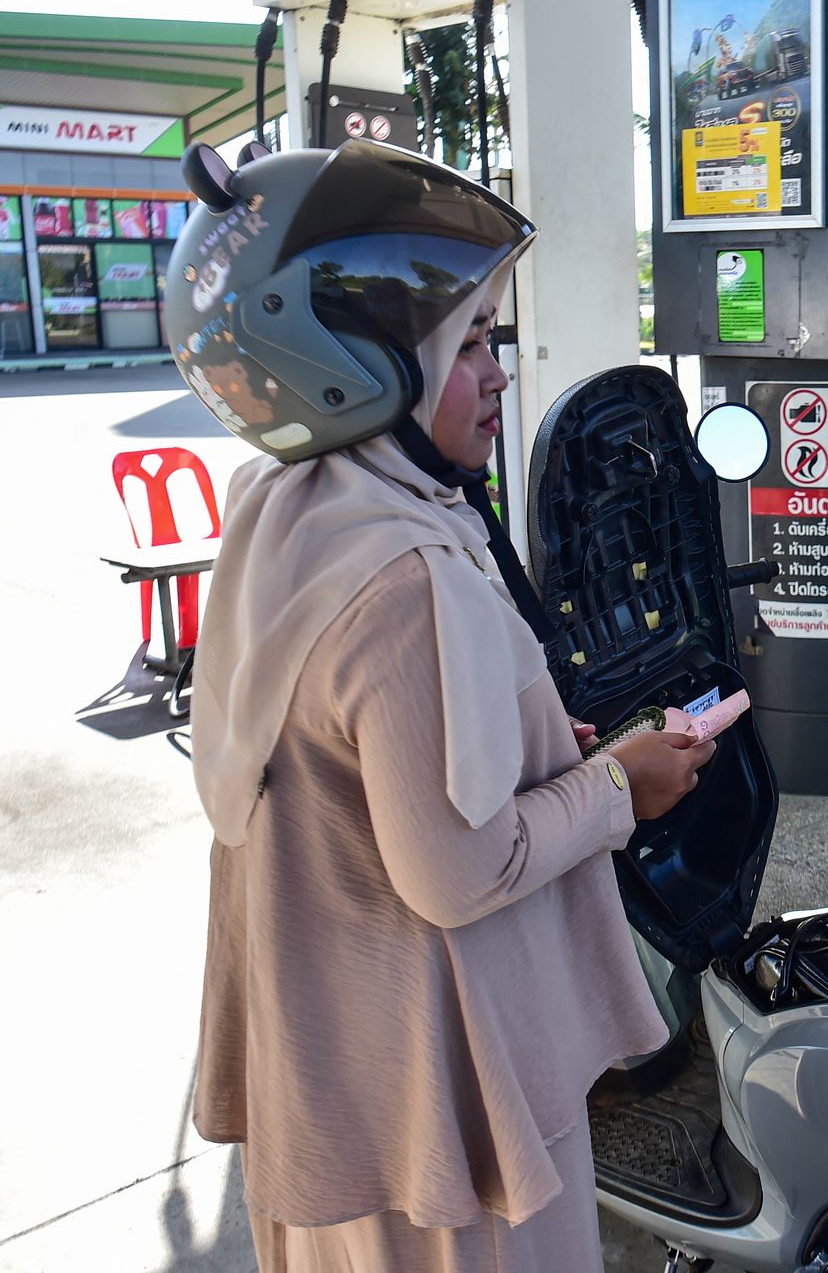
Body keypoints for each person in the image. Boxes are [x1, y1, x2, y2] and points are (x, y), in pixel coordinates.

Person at [171, 139, 713, 1271]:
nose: (499, 371)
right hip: (439, 1094)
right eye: (466, 341)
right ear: (351, 364)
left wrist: (526, 747)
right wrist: (622, 783)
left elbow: (349, 767)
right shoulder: (405, 572)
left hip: (331, 1063)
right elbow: (457, 869)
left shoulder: (284, 512)